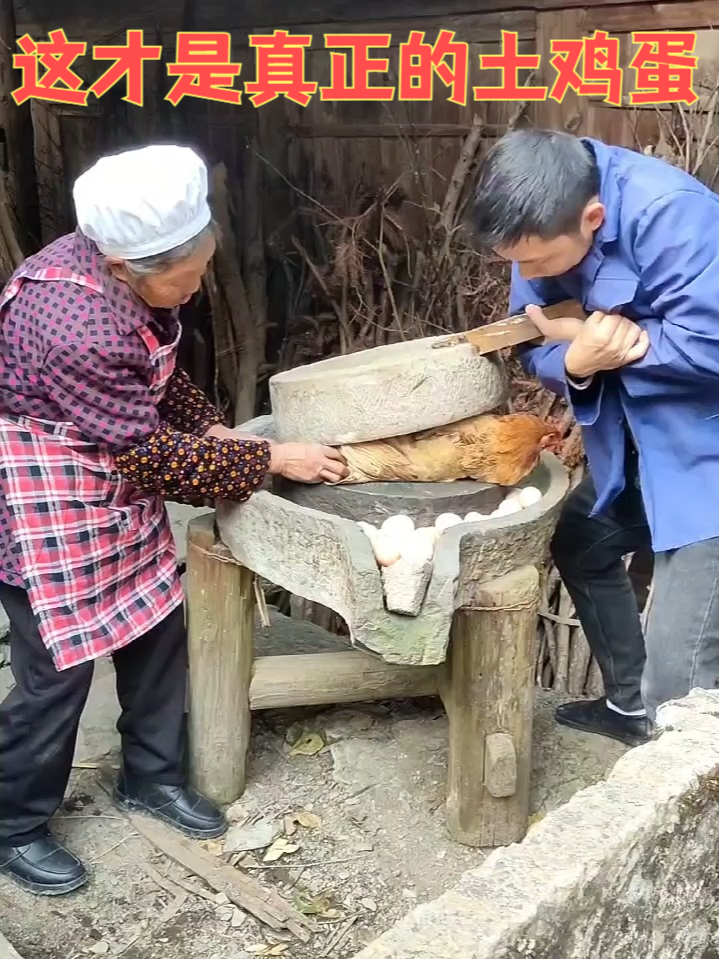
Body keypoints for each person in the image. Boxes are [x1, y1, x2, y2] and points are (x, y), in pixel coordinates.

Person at [0, 143, 349, 896]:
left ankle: (149, 776)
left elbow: (154, 381)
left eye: (201, 267)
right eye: (182, 279)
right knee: (54, 676)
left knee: (158, 630)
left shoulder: (124, 276)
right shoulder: (72, 322)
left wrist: (216, 428)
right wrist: (267, 460)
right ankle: (13, 823)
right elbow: (149, 456)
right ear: (126, 269)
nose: (193, 290)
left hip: (107, 482)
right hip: (45, 504)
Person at [471, 128, 719, 748]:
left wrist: (617, 344)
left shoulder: (675, 216)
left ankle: (672, 770)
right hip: (642, 450)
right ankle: (630, 707)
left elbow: (710, 343)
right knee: (579, 538)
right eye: (515, 263)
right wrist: (579, 360)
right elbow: (535, 343)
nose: (525, 276)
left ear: (594, 218)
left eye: (538, 264)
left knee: (682, 679)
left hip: (707, 459)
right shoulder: (538, 225)